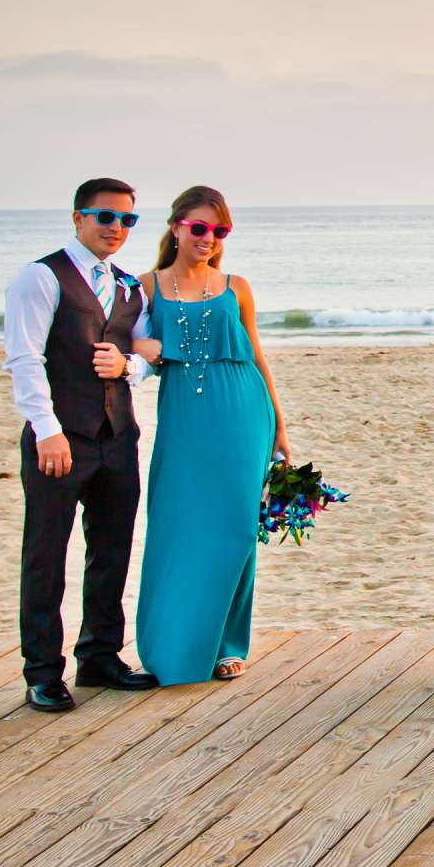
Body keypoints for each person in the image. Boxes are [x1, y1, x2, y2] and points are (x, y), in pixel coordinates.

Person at [1, 177, 159, 711]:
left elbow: (145, 352)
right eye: (105, 217)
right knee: (45, 555)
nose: (116, 228)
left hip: (118, 436)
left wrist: (130, 365)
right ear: (78, 217)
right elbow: (24, 359)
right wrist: (46, 430)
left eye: (127, 220)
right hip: (60, 439)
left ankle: (99, 656)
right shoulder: (41, 278)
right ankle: (43, 671)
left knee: (111, 549)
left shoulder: (128, 287)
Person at [132, 186, 290, 684]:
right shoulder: (146, 286)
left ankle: (227, 644)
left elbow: (258, 356)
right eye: (199, 228)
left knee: (238, 529)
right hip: (184, 419)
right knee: (178, 524)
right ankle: (171, 645)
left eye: (219, 231)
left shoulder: (236, 285)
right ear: (176, 227)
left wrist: (280, 427)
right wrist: (149, 346)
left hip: (244, 412)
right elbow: (129, 345)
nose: (209, 238)